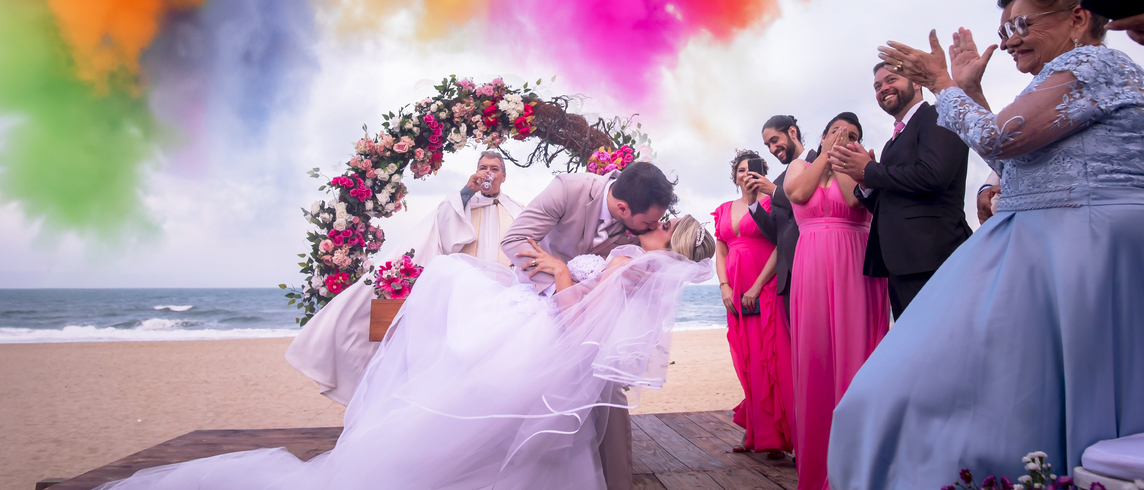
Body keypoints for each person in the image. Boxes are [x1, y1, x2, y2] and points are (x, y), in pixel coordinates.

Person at [96, 217, 716, 490]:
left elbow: (572, 310)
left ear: (667, 237)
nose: (654, 224)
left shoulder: (633, 264)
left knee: (452, 291)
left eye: (664, 222)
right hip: (557, 358)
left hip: (545, 339)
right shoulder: (641, 265)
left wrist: (556, 269)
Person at [829, 0, 1144, 488]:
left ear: (1077, 18)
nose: (1011, 41)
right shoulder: (1062, 78)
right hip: (1047, 248)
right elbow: (1014, 163)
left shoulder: (1096, 65)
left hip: (1081, 248)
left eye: (1022, 25)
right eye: (1005, 30)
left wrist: (941, 84)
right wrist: (969, 93)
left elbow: (1002, 140)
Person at [285, 151, 523, 405]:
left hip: (501, 303)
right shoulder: (460, 204)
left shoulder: (517, 211)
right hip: (461, 305)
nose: (488, 173)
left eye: (494, 168)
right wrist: (467, 190)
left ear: (504, 176)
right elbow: (441, 232)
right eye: (483, 167)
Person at [501, 159, 677, 490]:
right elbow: (515, 240)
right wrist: (558, 283)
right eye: (650, 221)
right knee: (524, 391)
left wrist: (574, 293)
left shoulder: (640, 238)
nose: (654, 226)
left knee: (599, 392)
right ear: (623, 207)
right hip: (538, 299)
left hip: (585, 316)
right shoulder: (569, 189)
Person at [784, 113, 890, 490]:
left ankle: (853, 471)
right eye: (837, 131)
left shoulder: (861, 167)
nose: (844, 137)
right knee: (816, 359)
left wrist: (849, 159)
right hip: (811, 264)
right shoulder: (801, 165)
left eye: (853, 135)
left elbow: (851, 199)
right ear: (823, 134)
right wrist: (827, 155)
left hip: (853, 264)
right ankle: (816, 469)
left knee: (855, 358)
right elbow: (797, 193)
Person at [827, 61, 971, 319]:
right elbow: (893, 198)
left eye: (891, 80)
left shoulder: (939, 115)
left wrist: (870, 170)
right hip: (901, 261)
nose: (883, 88)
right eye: (877, 86)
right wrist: (864, 181)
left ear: (916, 82)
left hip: (932, 256)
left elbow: (933, 176)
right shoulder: (892, 141)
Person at [713, 150, 794, 457]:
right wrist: (724, 287)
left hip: (765, 286)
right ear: (735, 176)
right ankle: (757, 435)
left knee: (772, 359)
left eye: (752, 169)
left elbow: (781, 244)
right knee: (746, 361)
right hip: (735, 291)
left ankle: (780, 437)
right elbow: (720, 251)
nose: (746, 174)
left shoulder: (772, 202)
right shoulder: (722, 210)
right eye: (741, 169)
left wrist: (757, 286)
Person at [747, 115, 810, 322]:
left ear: (792, 132)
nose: (772, 149)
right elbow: (777, 235)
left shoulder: (819, 163)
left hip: (816, 268)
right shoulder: (778, 181)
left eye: (775, 140)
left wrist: (774, 192)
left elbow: (812, 205)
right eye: (768, 145)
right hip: (789, 279)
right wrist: (753, 202)